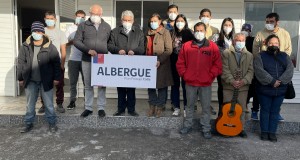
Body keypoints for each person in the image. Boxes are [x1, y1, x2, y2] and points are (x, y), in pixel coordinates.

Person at [177, 22, 222, 139]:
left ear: (205, 31)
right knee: (189, 106)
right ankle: (188, 125)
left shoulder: (212, 46)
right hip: (190, 82)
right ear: (194, 31)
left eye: (201, 30)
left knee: (206, 107)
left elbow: (217, 65)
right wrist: (185, 75)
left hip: (205, 83)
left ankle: (206, 128)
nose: (199, 33)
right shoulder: (186, 46)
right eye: (197, 30)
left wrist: (210, 76)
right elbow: (180, 63)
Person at [17, 21, 61, 133]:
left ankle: (52, 124)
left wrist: (57, 78)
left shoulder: (50, 46)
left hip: (46, 80)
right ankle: (28, 124)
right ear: (32, 32)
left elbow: (56, 63)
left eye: (39, 31)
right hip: (30, 80)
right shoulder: (25, 46)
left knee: (49, 104)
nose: (37, 33)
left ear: (43, 32)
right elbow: (20, 62)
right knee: (30, 104)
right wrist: (20, 78)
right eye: (35, 31)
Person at [252, 12, 292, 121]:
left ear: (277, 22)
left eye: (271, 22)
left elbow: (288, 49)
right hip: (264, 67)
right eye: (267, 21)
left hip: (279, 68)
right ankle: (255, 110)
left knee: (278, 92)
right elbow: (255, 50)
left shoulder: (285, 33)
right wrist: (259, 62)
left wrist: (282, 61)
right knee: (259, 88)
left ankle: (276, 112)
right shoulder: (260, 33)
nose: (268, 23)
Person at [254, 34, 293, 142]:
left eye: (276, 43)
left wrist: (279, 82)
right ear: (266, 44)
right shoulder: (260, 56)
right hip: (264, 89)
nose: (273, 44)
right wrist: (272, 81)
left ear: (279, 44)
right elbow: (259, 71)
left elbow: (290, 70)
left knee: (275, 111)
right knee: (265, 110)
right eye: (271, 43)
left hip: (280, 90)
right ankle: (264, 132)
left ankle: (272, 132)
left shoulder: (285, 56)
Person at [74, 4, 111, 118]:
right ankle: (88, 108)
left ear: (101, 14)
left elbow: (110, 43)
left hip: (101, 60)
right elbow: (77, 41)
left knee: (101, 84)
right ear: (90, 13)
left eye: (98, 14)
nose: (95, 15)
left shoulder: (107, 26)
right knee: (88, 84)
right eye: (93, 13)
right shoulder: (83, 25)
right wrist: (87, 50)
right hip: (87, 59)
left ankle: (101, 108)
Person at [108, 10, 145, 116]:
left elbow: (142, 48)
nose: (127, 22)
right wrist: (118, 50)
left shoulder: (139, 32)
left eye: (129, 20)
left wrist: (135, 51)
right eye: (125, 20)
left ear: (133, 21)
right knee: (120, 88)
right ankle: (120, 109)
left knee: (131, 88)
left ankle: (131, 109)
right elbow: (109, 46)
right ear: (121, 20)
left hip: (133, 64)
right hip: (119, 64)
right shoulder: (114, 31)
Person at [221, 32, 254, 138]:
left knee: (242, 109)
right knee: (227, 107)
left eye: (242, 40)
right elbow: (224, 69)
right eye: (238, 40)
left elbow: (251, 71)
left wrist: (244, 81)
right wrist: (231, 80)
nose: (240, 42)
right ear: (234, 41)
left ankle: (241, 128)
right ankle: (225, 127)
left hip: (243, 87)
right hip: (229, 87)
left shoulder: (249, 55)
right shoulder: (226, 53)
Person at [38, 11, 68, 114]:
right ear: (45, 19)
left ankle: (59, 103)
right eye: (48, 18)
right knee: (44, 84)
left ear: (55, 20)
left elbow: (63, 50)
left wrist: (62, 64)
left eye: (51, 18)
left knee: (59, 85)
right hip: (44, 62)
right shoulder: (41, 32)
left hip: (57, 62)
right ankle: (44, 104)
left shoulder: (60, 33)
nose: (50, 20)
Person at [146, 13, 173, 118]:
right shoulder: (148, 33)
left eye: (155, 21)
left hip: (161, 64)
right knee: (150, 86)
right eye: (151, 21)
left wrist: (160, 60)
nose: (153, 23)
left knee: (161, 86)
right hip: (148, 63)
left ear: (160, 21)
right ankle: (152, 106)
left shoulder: (165, 32)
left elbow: (169, 49)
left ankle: (160, 107)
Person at [170, 14, 194, 116]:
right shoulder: (172, 33)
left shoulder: (189, 33)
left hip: (186, 62)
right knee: (175, 85)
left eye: (182, 21)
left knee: (185, 85)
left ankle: (186, 108)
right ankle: (176, 107)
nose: (179, 23)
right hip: (174, 60)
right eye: (178, 21)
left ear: (185, 22)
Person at [212, 17, 236, 116]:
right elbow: (212, 51)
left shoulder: (235, 38)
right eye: (225, 25)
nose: (227, 27)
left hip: (233, 68)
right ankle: (221, 110)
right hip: (220, 67)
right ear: (222, 26)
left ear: (232, 27)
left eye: (229, 25)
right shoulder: (216, 37)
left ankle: (230, 109)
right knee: (222, 88)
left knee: (231, 88)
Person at [65, 10, 86, 110]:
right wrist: (72, 42)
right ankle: (72, 101)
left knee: (86, 82)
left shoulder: (87, 28)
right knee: (73, 83)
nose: (80, 19)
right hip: (73, 59)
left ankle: (87, 102)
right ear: (75, 17)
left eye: (82, 17)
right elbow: (64, 44)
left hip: (85, 59)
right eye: (78, 17)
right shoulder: (70, 29)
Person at [241, 23, 259, 117]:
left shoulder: (253, 40)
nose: (245, 31)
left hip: (252, 66)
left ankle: (250, 106)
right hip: (241, 66)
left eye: (247, 30)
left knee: (252, 88)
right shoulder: (239, 39)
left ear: (250, 31)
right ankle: (243, 104)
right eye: (244, 29)